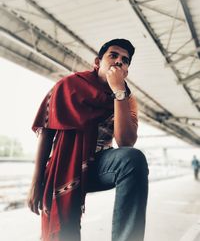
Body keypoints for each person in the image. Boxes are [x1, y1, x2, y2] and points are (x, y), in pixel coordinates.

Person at [27, 39, 149, 241]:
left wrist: (118, 92)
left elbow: (125, 142)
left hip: (99, 166)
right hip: (65, 168)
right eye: (113, 55)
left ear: (126, 70)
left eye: (125, 60)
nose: (119, 62)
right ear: (97, 61)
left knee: (133, 159)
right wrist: (35, 182)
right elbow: (46, 132)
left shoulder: (127, 98)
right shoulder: (68, 86)